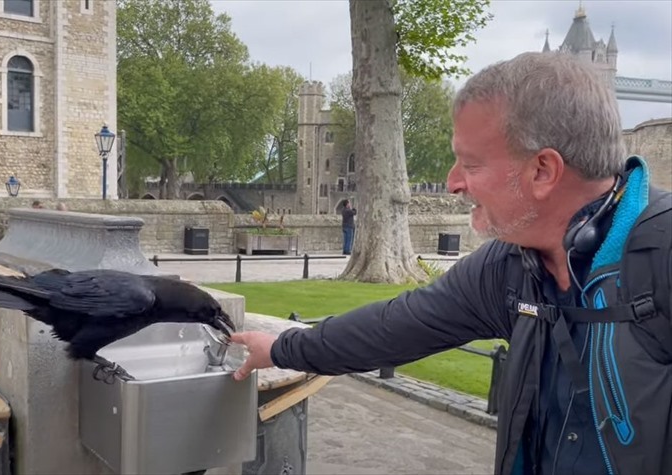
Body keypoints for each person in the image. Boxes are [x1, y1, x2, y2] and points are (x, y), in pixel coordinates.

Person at [231, 52, 672, 475]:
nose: (453, 182)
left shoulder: (662, 254)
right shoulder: (511, 266)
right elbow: (399, 325)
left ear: (543, 171)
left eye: (470, 163)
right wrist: (281, 348)